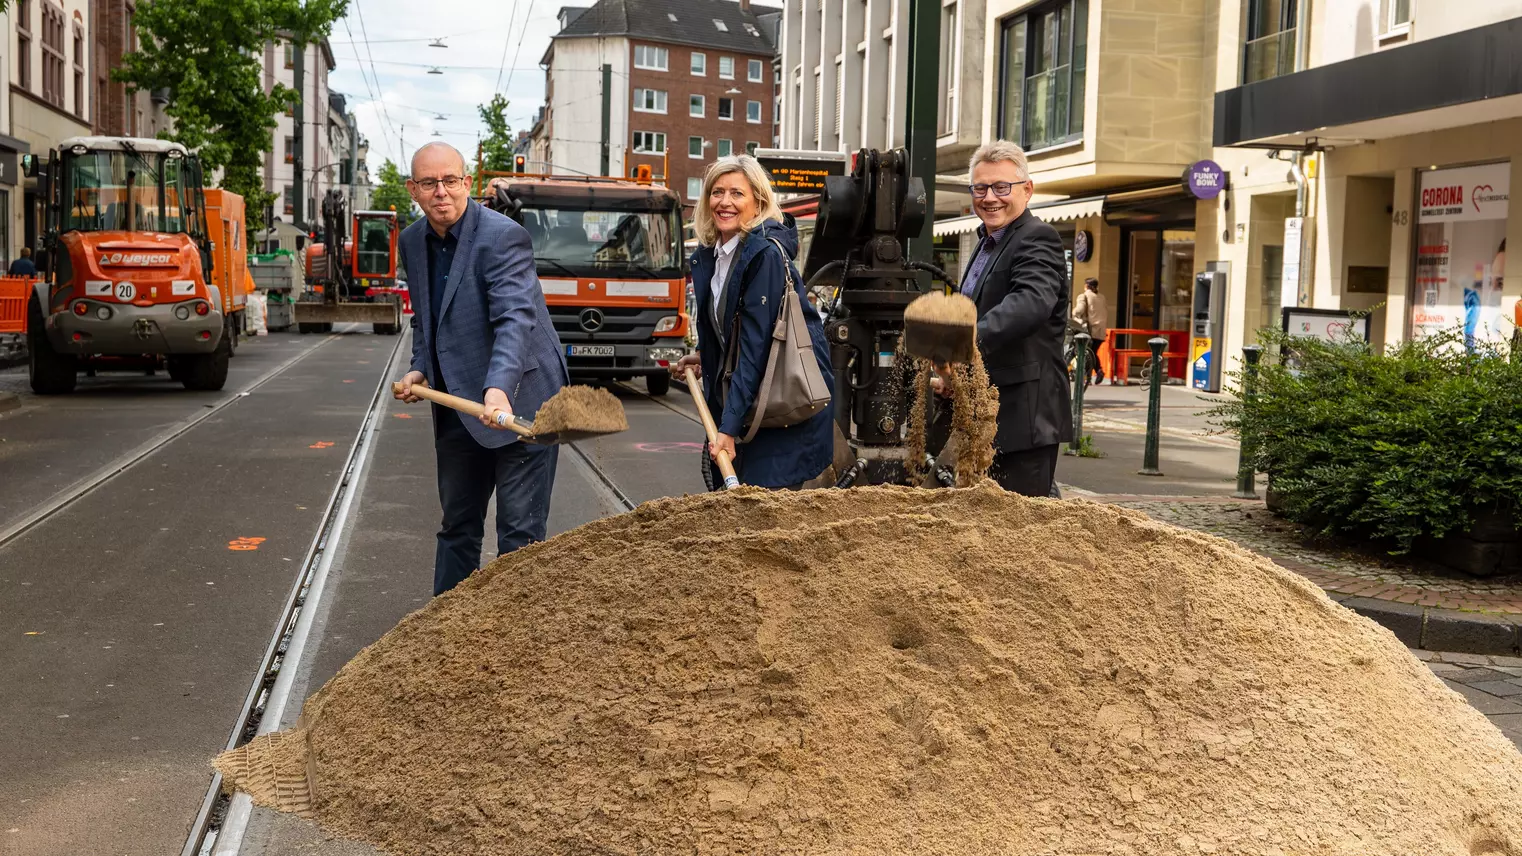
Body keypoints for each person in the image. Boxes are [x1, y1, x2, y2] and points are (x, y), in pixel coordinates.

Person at [392, 142, 569, 596]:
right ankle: (446, 630)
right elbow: (426, 318)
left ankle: (515, 643)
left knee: (519, 534)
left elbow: (515, 318)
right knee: (458, 525)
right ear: (413, 189)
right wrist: (419, 368)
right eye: (429, 183)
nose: (441, 192)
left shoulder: (502, 236)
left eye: (450, 180)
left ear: (466, 183)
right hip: (457, 403)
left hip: (522, 399)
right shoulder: (412, 240)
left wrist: (497, 389)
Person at [669, 155, 834, 489]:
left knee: (764, 519)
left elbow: (755, 348)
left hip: (778, 411)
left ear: (758, 203)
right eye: (717, 193)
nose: (725, 202)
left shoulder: (764, 255)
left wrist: (727, 430)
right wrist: (705, 355)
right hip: (750, 406)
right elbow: (729, 328)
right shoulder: (711, 256)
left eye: (737, 194)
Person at [940, 140, 1071, 497]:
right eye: (980, 188)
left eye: (1001, 187)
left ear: (1027, 190)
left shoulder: (1037, 237)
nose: (990, 197)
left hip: (1024, 416)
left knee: (1021, 530)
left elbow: (1029, 303)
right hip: (989, 414)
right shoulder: (986, 242)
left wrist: (961, 343)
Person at [1071, 277, 1108, 385]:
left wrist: (1074, 312)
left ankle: (1089, 375)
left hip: (1089, 330)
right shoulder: (1102, 297)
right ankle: (1094, 373)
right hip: (1100, 331)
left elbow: (1080, 310)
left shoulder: (1084, 296)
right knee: (1092, 352)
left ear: (1086, 286)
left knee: (1085, 352)